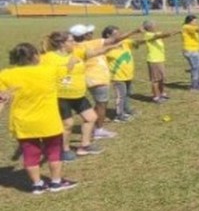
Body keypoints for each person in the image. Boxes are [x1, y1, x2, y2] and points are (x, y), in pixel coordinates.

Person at [0, 43, 79, 193]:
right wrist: (72, 61)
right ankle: (56, 182)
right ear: (35, 56)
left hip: (23, 123)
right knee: (54, 152)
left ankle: (37, 185)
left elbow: (2, 98)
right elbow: (66, 70)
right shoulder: (49, 70)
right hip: (48, 121)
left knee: (30, 154)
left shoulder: (5, 75)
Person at [40, 31, 105, 160]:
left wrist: (112, 46)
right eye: (71, 41)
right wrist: (66, 68)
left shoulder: (75, 53)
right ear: (62, 44)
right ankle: (64, 150)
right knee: (68, 124)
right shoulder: (48, 58)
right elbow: (43, 75)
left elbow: (92, 54)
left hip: (78, 94)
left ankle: (85, 146)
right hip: (61, 96)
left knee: (91, 117)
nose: (74, 43)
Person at [72, 24, 127, 140]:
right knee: (102, 104)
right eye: (89, 33)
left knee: (99, 104)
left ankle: (94, 125)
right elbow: (111, 42)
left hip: (92, 78)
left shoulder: (76, 46)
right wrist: (115, 45)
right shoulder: (87, 45)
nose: (91, 34)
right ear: (85, 35)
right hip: (97, 79)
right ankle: (98, 129)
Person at [104, 26, 138, 121]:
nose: (119, 35)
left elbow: (137, 43)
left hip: (128, 75)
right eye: (116, 34)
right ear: (108, 35)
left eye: (119, 33)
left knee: (127, 93)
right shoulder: (107, 47)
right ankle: (119, 115)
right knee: (121, 96)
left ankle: (126, 110)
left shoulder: (125, 42)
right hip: (117, 77)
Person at [142, 20, 180, 103]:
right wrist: (172, 32)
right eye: (154, 25)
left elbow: (163, 34)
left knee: (162, 78)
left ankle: (162, 93)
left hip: (160, 59)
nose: (156, 26)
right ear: (150, 27)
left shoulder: (154, 33)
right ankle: (156, 97)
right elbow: (161, 35)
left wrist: (175, 32)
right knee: (155, 80)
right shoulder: (148, 35)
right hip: (154, 60)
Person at [181, 15, 199, 91]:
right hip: (190, 51)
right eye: (195, 21)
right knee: (196, 68)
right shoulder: (186, 27)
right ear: (189, 21)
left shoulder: (192, 27)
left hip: (197, 50)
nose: (196, 22)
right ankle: (194, 86)